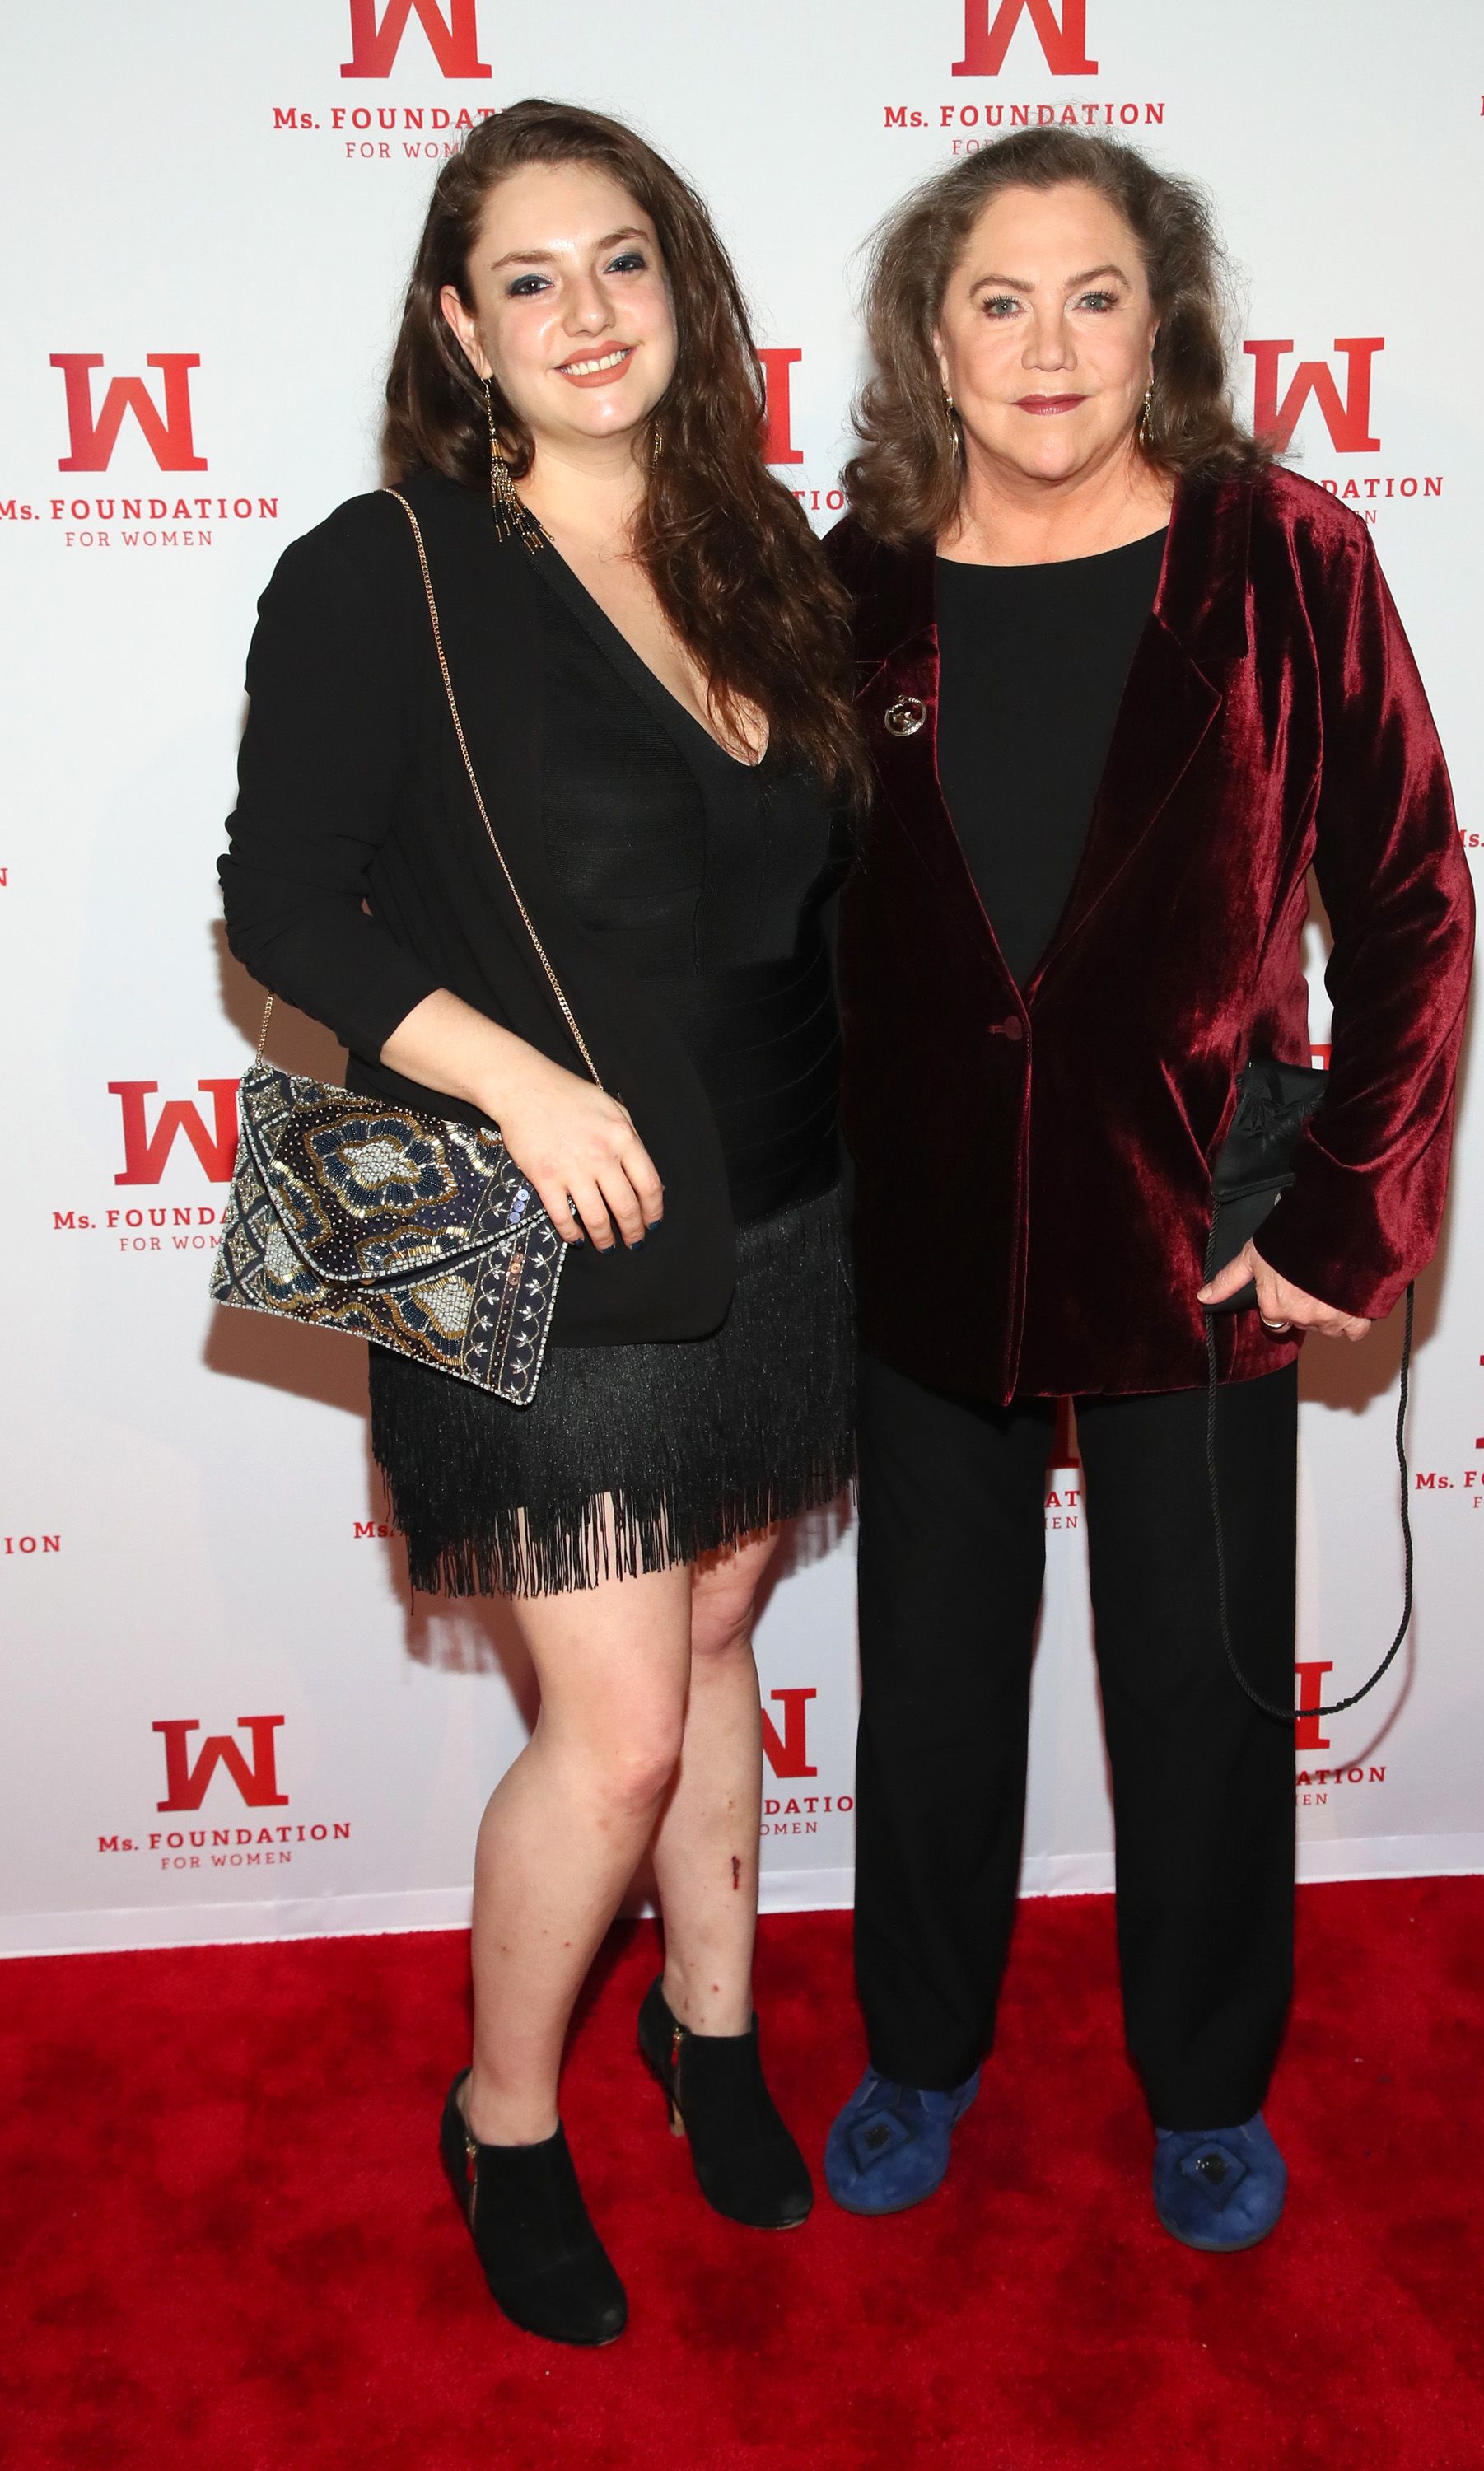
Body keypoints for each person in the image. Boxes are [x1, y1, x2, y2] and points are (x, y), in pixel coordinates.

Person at [220, 100, 863, 2343]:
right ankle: (504, 2120)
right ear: (458, 326)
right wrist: (514, 1078)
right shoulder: (383, 570)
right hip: (533, 1238)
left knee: (718, 1647)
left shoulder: (758, 547)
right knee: (622, 1733)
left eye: (623, 262)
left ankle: (708, 2033)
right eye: (529, 278)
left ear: (683, 288)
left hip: (787, 1214)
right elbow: (284, 901)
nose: (586, 313)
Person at [821, 128, 1474, 2251]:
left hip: (1201, 1233)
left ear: (1163, 322)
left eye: (1095, 296)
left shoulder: (1282, 557)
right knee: (929, 1685)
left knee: (1199, 1692)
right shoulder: (859, 582)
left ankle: (1206, 2086)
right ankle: (919, 2050)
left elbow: (1412, 903)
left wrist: (1348, 1213)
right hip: (926, 1232)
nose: (1049, 346)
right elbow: (794, 922)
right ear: (933, 339)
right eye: (999, 301)